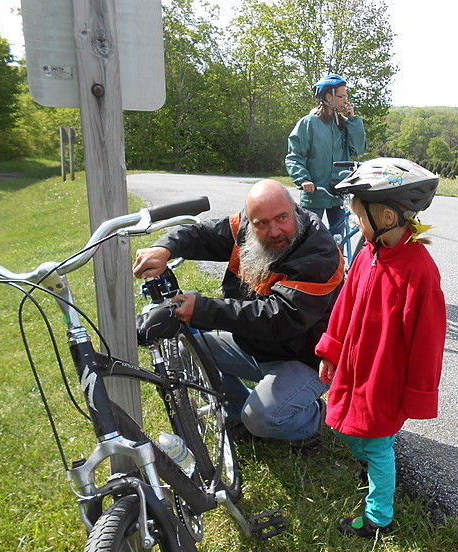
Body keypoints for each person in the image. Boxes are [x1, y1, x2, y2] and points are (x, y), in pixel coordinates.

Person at [133, 179, 344, 449]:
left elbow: (279, 318)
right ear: (250, 221)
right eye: (262, 223)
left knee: (262, 418)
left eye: (282, 218)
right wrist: (165, 247)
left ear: (295, 209)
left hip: (307, 357)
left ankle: (311, 421)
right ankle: (236, 416)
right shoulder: (244, 225)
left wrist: (201, 309)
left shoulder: (319, 253)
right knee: (189, 349)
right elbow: (203, 235)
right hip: (255, 346)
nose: (275, 231)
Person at [314, 158, 447, 537]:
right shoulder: (368, 254)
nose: (356, 222)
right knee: (355, 432)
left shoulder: (419, 271)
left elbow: (428, 341)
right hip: (355, 371)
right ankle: (372, 470)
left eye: (359, 216)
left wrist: (417, 393)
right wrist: (331, 349)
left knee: (376, 444)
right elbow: (345, 306)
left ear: (386, 216)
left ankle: (378, 517)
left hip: (384, 378)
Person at [285, 74, 367, 239]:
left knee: (339, 240)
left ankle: (338, 264)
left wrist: (353, 120)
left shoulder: (344, 124)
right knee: (308, 239)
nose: (346, 101)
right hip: (315, 193)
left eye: (346, 96)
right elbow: (294, 156)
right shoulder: (308, 123)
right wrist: (303, 179)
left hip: (338, 193)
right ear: (329, 97)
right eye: (341, 96)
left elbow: (358, 149)